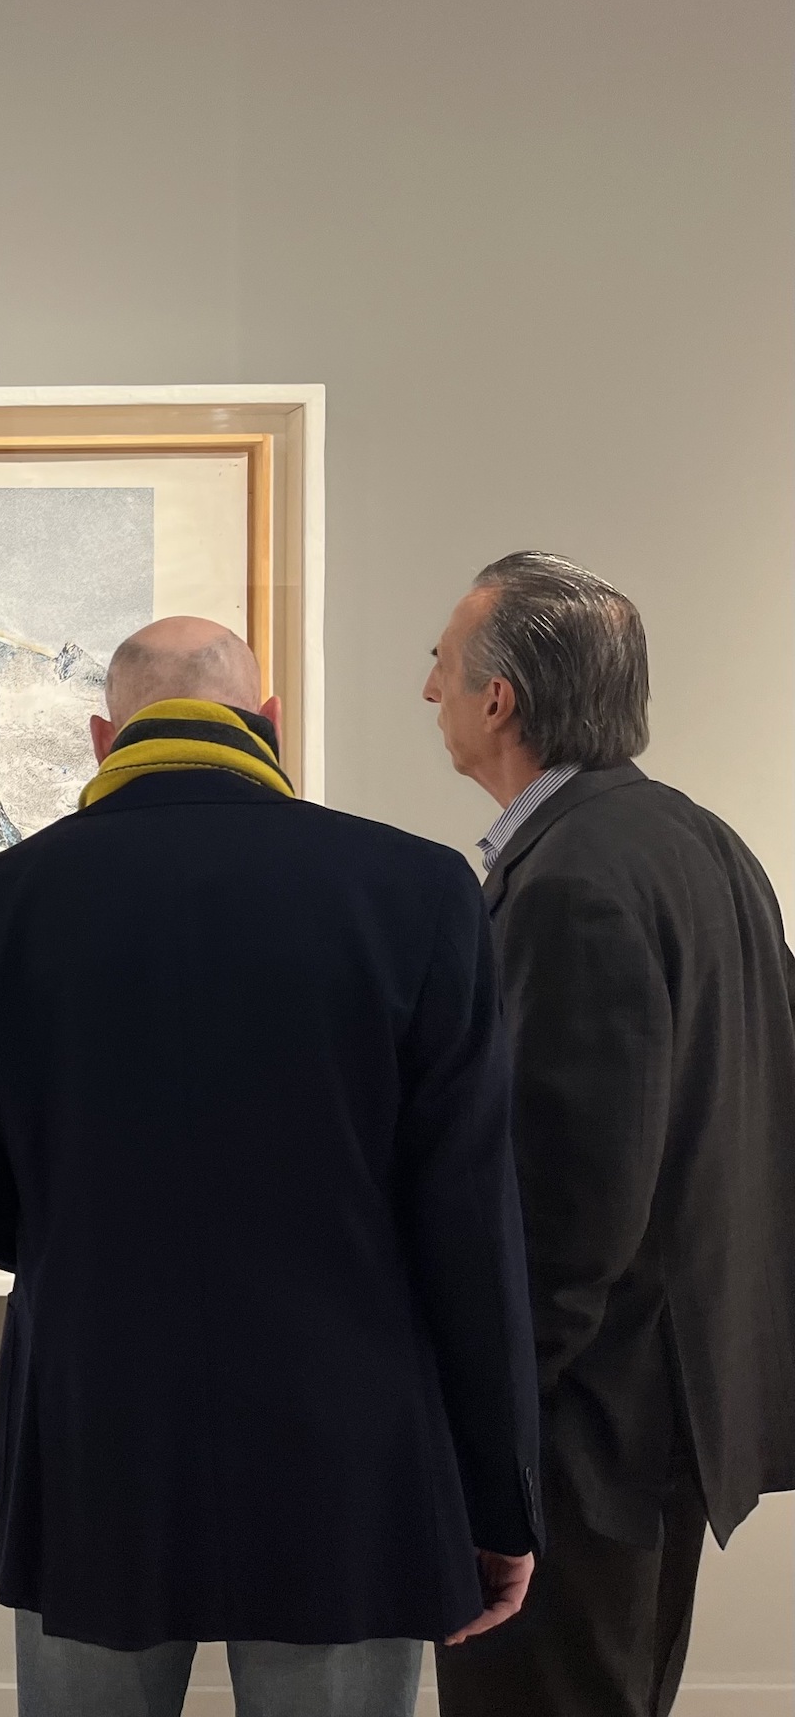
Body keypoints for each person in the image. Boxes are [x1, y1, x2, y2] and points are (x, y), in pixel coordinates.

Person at [0, 616, 543, 1717]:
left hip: (98, 1423)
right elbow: (468, 1220)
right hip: (349, 1441)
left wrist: (88, 1241)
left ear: (105, 737)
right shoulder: (420, 892)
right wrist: (498, 1495)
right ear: (269, 724)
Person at [424, 553, 795, 1717]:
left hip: (584, 1439)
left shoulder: (573, 880)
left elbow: (568, 1207)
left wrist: (496, 1444)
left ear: (500, 699)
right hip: (670, 1411)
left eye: (442, 664)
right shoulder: (702, 844)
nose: (427, 690)